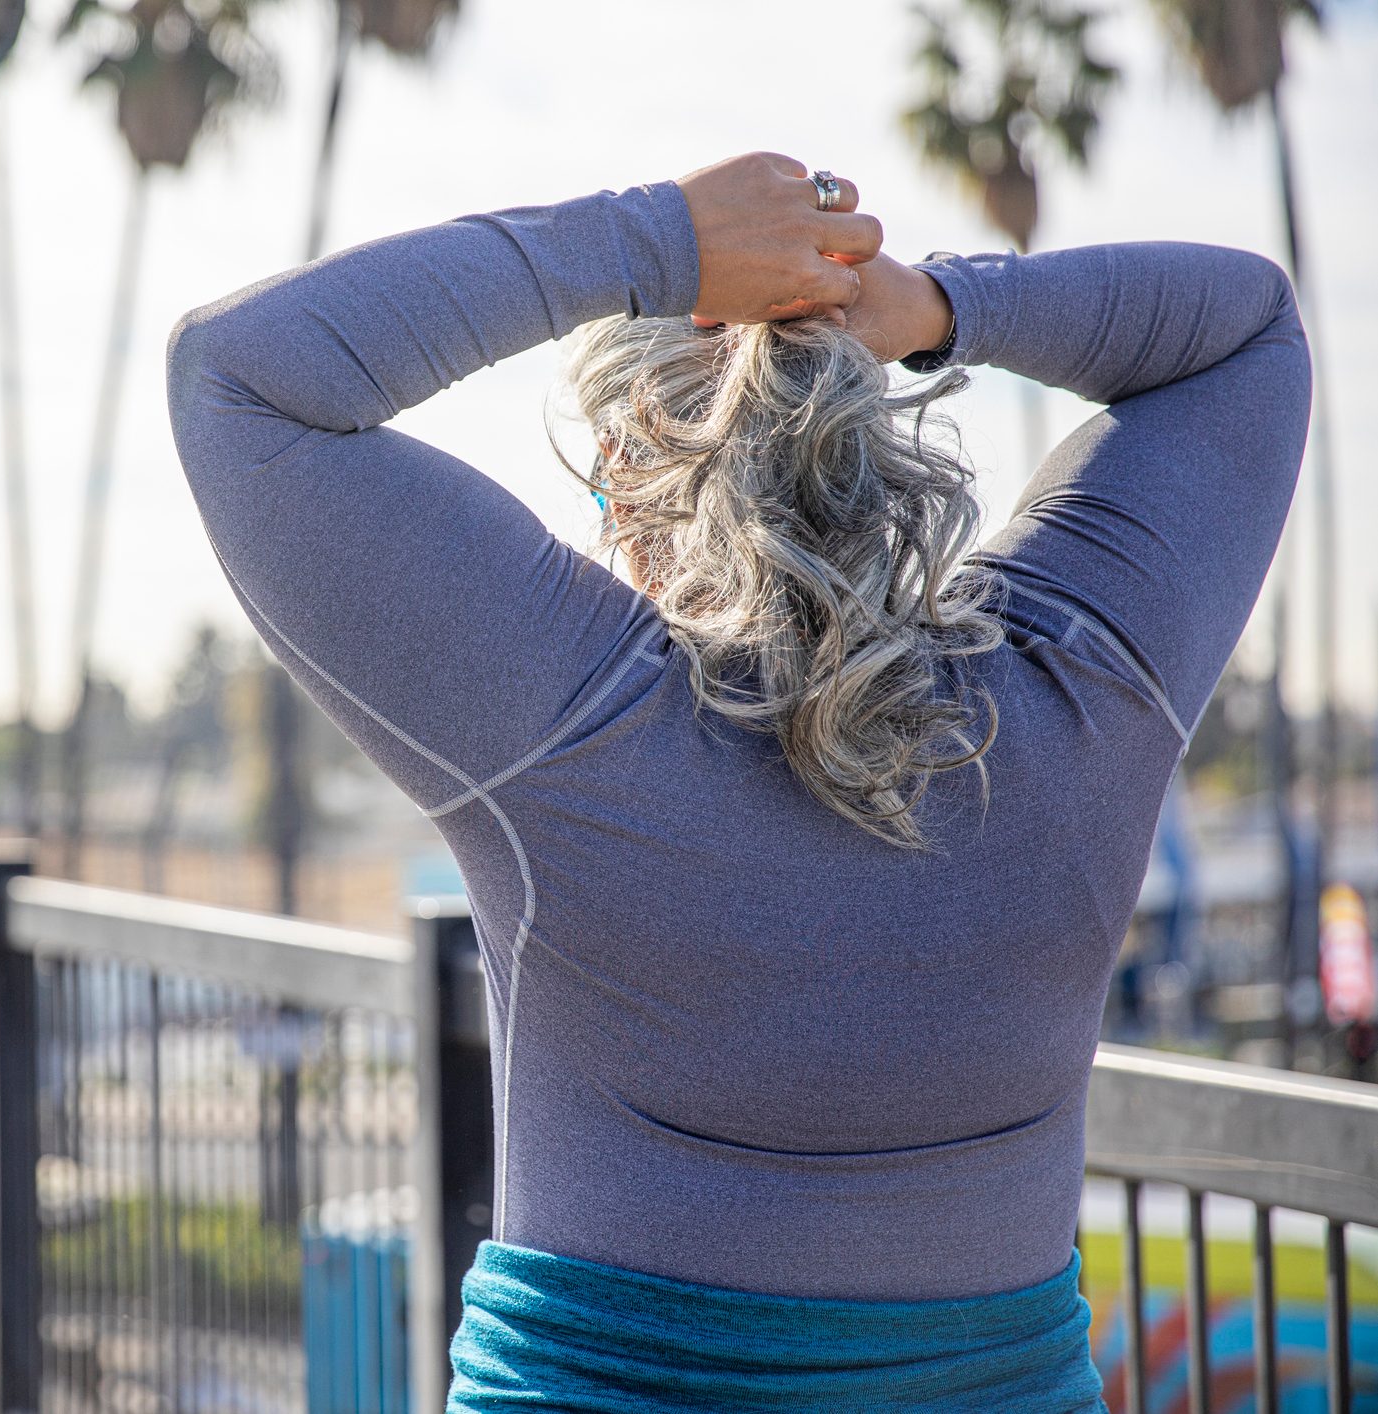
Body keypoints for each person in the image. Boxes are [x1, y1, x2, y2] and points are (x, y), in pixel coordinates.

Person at [165, 152, 1310, 1410]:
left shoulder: (572, 718)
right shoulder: (1070, 691)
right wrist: (927, 304)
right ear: (864, 441)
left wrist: (652, 241)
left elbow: (239, 375)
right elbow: (1245, 330)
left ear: (635, 479)